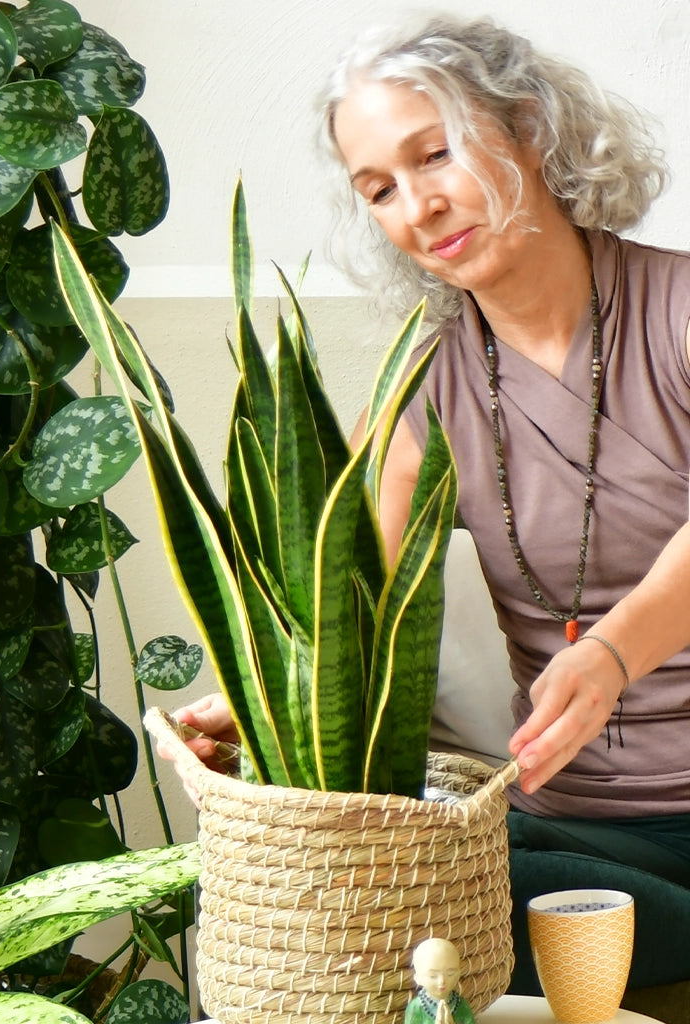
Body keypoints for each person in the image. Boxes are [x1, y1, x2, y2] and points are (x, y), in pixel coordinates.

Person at [165, 13, 690, 999]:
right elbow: (347, 604)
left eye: (434, 152)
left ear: (528, 131)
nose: (417, 204)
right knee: (354, 908)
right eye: (379, 188)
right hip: (557, 835)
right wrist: (253, 702)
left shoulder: (677, 312)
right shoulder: (422, 390)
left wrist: (614, 648)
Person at [404, 938, 476, 1024]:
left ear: (458, 975)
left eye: (450, 974)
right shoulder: (416, 1007)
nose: (442, 981)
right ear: (418, 978)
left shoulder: (461, 1005)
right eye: (433, 976)